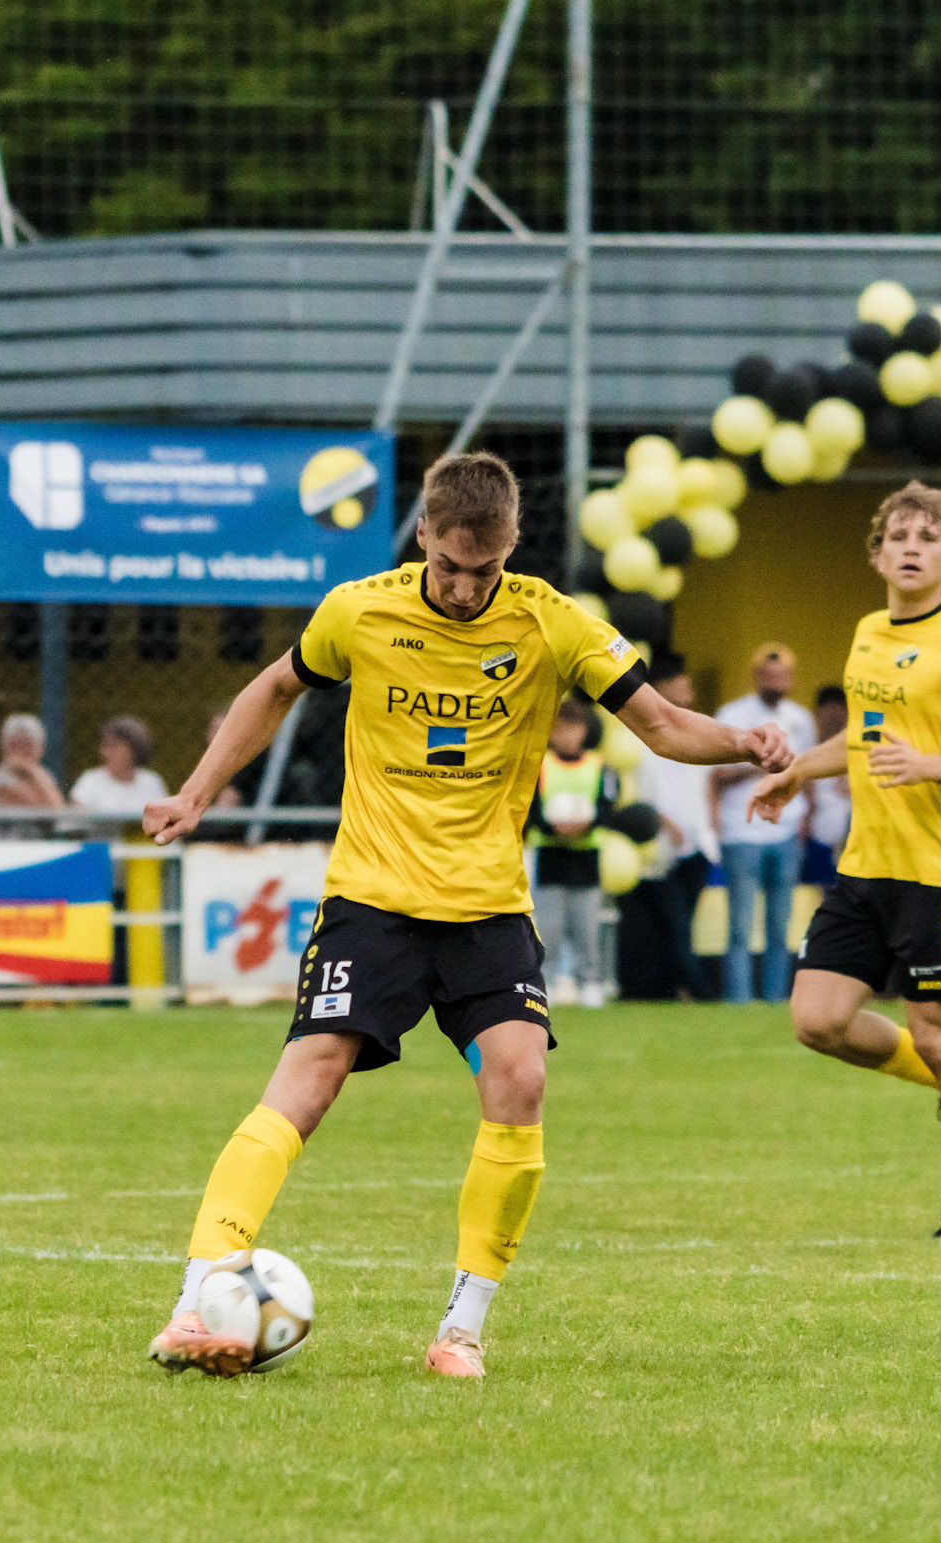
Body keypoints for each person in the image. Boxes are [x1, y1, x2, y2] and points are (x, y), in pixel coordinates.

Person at [141, 451, 792, 1378]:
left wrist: (742, 740)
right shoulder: (359, 610)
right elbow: (274, 687)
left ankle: (462, 1329)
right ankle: (194, 1300)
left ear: (511, 548)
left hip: (486, 906)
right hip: (371, 897)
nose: (460, 586)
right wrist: (198, 792)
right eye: (447, 566)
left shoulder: (552, 623)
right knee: (309, 1077)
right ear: (422, 539)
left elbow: (658, 722)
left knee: (519, 1081)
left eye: (481, 570)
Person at [747, 480, 941, 1238]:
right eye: (897, 537)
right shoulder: (869, 630)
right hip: (864, 866)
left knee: (938, 1033)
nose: (910, 548)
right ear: (875, 554)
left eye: (927, 538)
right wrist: (797, 771)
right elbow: (867, 740)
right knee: (817, 1021)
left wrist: (930, 767)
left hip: (937, 874)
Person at [711, 642, 817, 1002]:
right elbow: (717, 775)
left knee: (780, 925)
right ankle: (739, 999)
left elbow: (808, 770)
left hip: (786, 829)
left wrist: (808, 815)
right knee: (740, 925)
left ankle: (775, 999)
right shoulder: (734, 713)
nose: (776, 682)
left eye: (783, 676)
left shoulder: (801, 718)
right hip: (742, 829)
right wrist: (760, 762)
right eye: (769, 675)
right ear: (757, 677)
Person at [627, 652, 719, 1000]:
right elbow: (634, 789)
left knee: (680, 927)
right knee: (674, 926)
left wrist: (712, 825)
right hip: (658, 847)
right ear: (661, 688)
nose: (690, 692)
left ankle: (671, 991)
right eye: (683, 685)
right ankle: (704, 994)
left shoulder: (697, 726)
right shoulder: (637, 733)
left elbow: (706, 783)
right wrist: (661, 823)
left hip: (697, 843)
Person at [528, 695, 618, 1008]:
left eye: (573, 728)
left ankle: (590, 982)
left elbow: (607, 809)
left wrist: (583, 827)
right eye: (560, 729)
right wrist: (556, 829)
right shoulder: (540, 765)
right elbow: (531, 810)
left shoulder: (599, 767)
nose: (567, 735)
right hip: (551, 856)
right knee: (548, 926)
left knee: (587, 926)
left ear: (584, 730)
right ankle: (546, 982)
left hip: (586, 857)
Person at [802, 684, 851, 887]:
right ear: (817, 713)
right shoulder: (807, 755)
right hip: (816, 843)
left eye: (839, 709)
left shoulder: (860, 754)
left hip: (850, 844)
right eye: (828, 709)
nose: (833, 715)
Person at [70, 716, 167, 818]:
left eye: (114, 747)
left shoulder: (152, 782)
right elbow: (77, 824)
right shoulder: (90, 780)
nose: (106, 753)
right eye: (105, 746)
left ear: (134, 749)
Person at [0, 714, 65, 812]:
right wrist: (31, 769)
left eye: (27, 746)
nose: (20, 751)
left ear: (41, 748)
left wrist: (31, 771)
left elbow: (58, 812)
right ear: (3, 747)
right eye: (14, 745)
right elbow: (53, 810)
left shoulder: (40, 774)